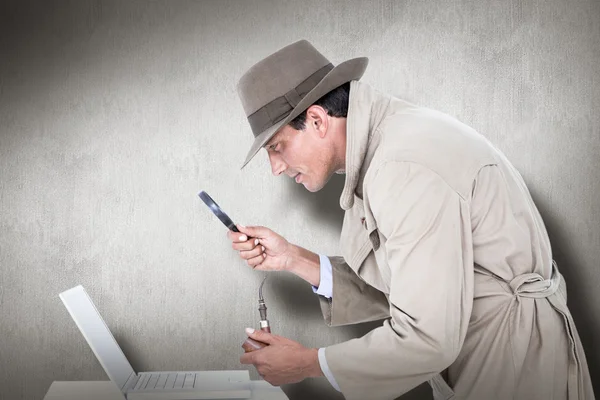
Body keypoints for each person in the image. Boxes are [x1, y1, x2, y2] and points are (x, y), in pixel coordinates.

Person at [227, 40, 594, 400]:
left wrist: (309, 363)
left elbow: (427, 336)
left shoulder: (402, 168)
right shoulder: (390, 143)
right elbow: (414, 287)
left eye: (276, 147)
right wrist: (293, 258)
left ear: (318, 120)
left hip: (512, 366)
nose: (275, 168)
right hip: (502, 354)